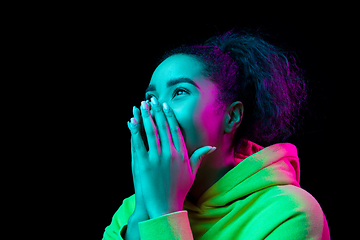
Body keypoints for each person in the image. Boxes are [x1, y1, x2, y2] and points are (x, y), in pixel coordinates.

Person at [103, 30, 330, 239]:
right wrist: (142, 212)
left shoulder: (290, 212)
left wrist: (165, 213)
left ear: (231, 116)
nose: (157, 110)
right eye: (150, 98)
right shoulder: (129, 212)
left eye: (180, 92)